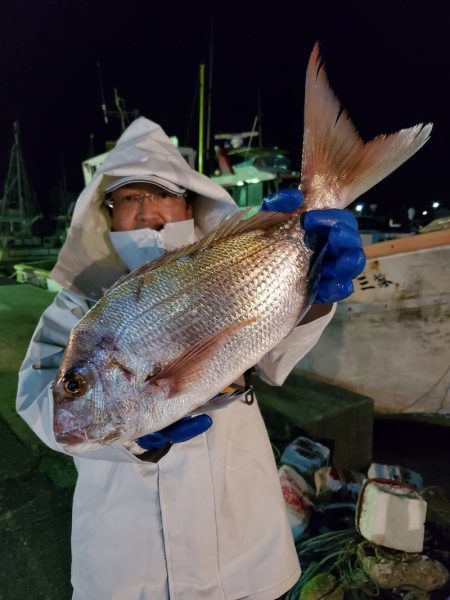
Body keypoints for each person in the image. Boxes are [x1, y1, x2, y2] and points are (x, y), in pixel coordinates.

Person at [17, 117, 365, 600]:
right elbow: (41, 404)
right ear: (106, 213)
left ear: (190, 203)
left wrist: (316, 296)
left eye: (161, 192)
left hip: (243, 548)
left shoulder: (230, 269)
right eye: (128, 197)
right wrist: (130, 440)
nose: (145, 210)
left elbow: (273, 357)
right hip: (124, 567)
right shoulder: (79, 306)